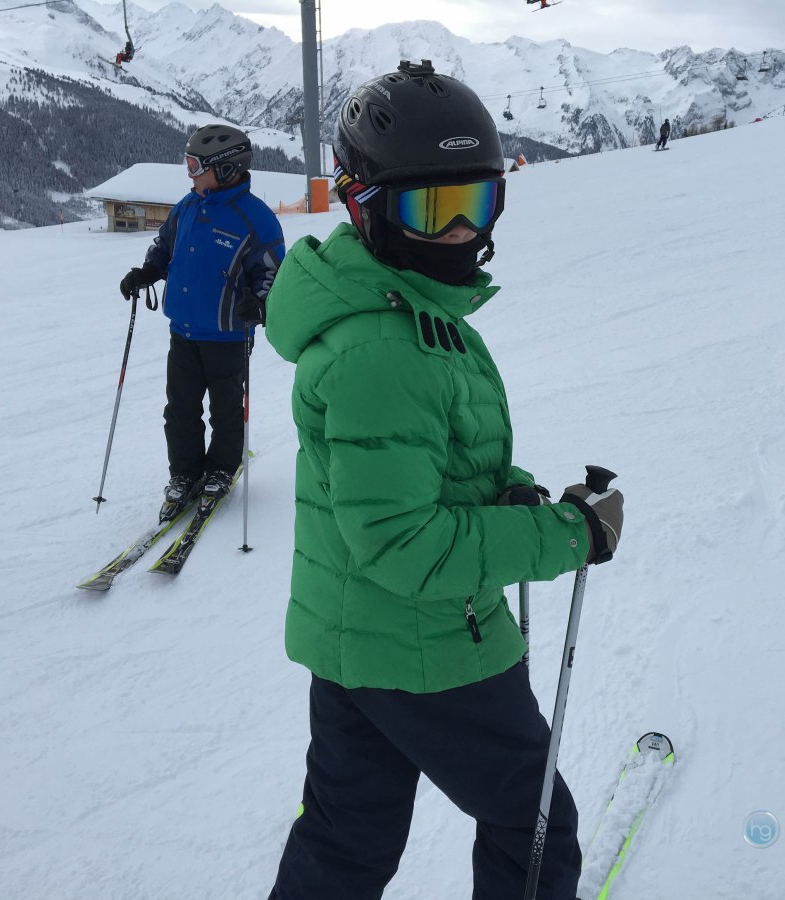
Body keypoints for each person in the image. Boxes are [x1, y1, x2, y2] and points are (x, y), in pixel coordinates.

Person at [263, 59, 625, 900]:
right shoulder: (382, 347)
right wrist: (569, 535)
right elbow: (404, 545)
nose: (463, 232)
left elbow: (417, 468)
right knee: (533, 823)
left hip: (359, 639)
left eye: (480, 202)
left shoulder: (397, 305)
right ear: (364, 204)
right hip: (427, 643)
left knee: (347, 837)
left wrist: (506, 494)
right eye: (435, 208)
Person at [118, 123, 285, 515]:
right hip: (184, 331)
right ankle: (186, 472)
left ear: (225, 169)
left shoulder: (255, 219)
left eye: (195, 166)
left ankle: (223, 468)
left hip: (228, 337)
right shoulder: (187, 206)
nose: (189, 173)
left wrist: (258, 303)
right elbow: (165, 246)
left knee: (226, 409)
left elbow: (273, 273)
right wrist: (147, 272)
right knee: (180, 409)